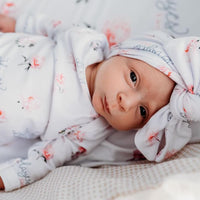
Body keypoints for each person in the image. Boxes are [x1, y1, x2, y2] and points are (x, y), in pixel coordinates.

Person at [0, 13, 199, 192]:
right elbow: (48, 27)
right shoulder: (87, 42)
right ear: (124, 51)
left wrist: (9, 177)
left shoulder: (91, 129)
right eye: (133, 77)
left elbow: (47, 157)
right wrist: (17, 24)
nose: (126, 102)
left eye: (143, 111)